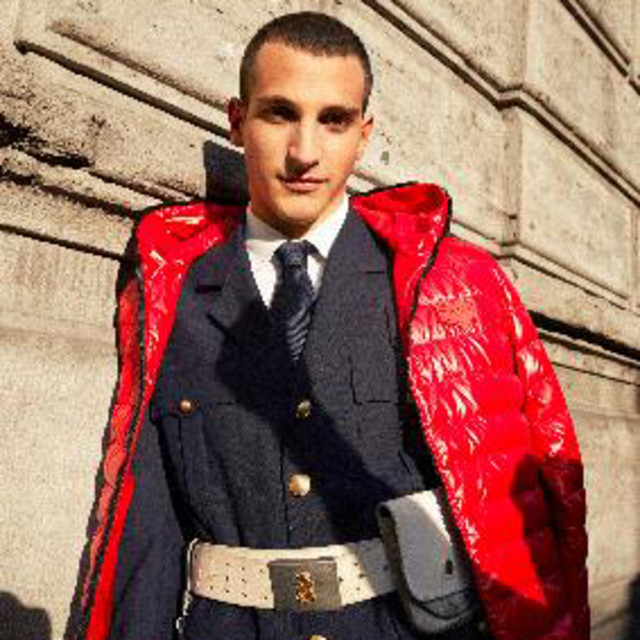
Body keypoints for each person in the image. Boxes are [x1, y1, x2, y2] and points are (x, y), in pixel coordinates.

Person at [73, 11, 589, 640]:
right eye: (279, 114)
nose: (304, 153)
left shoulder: (449, 286)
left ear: (364, 135)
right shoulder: (173, 289)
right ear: (237, 121)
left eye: (334, 120)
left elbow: (531, 504)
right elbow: (146, 530)